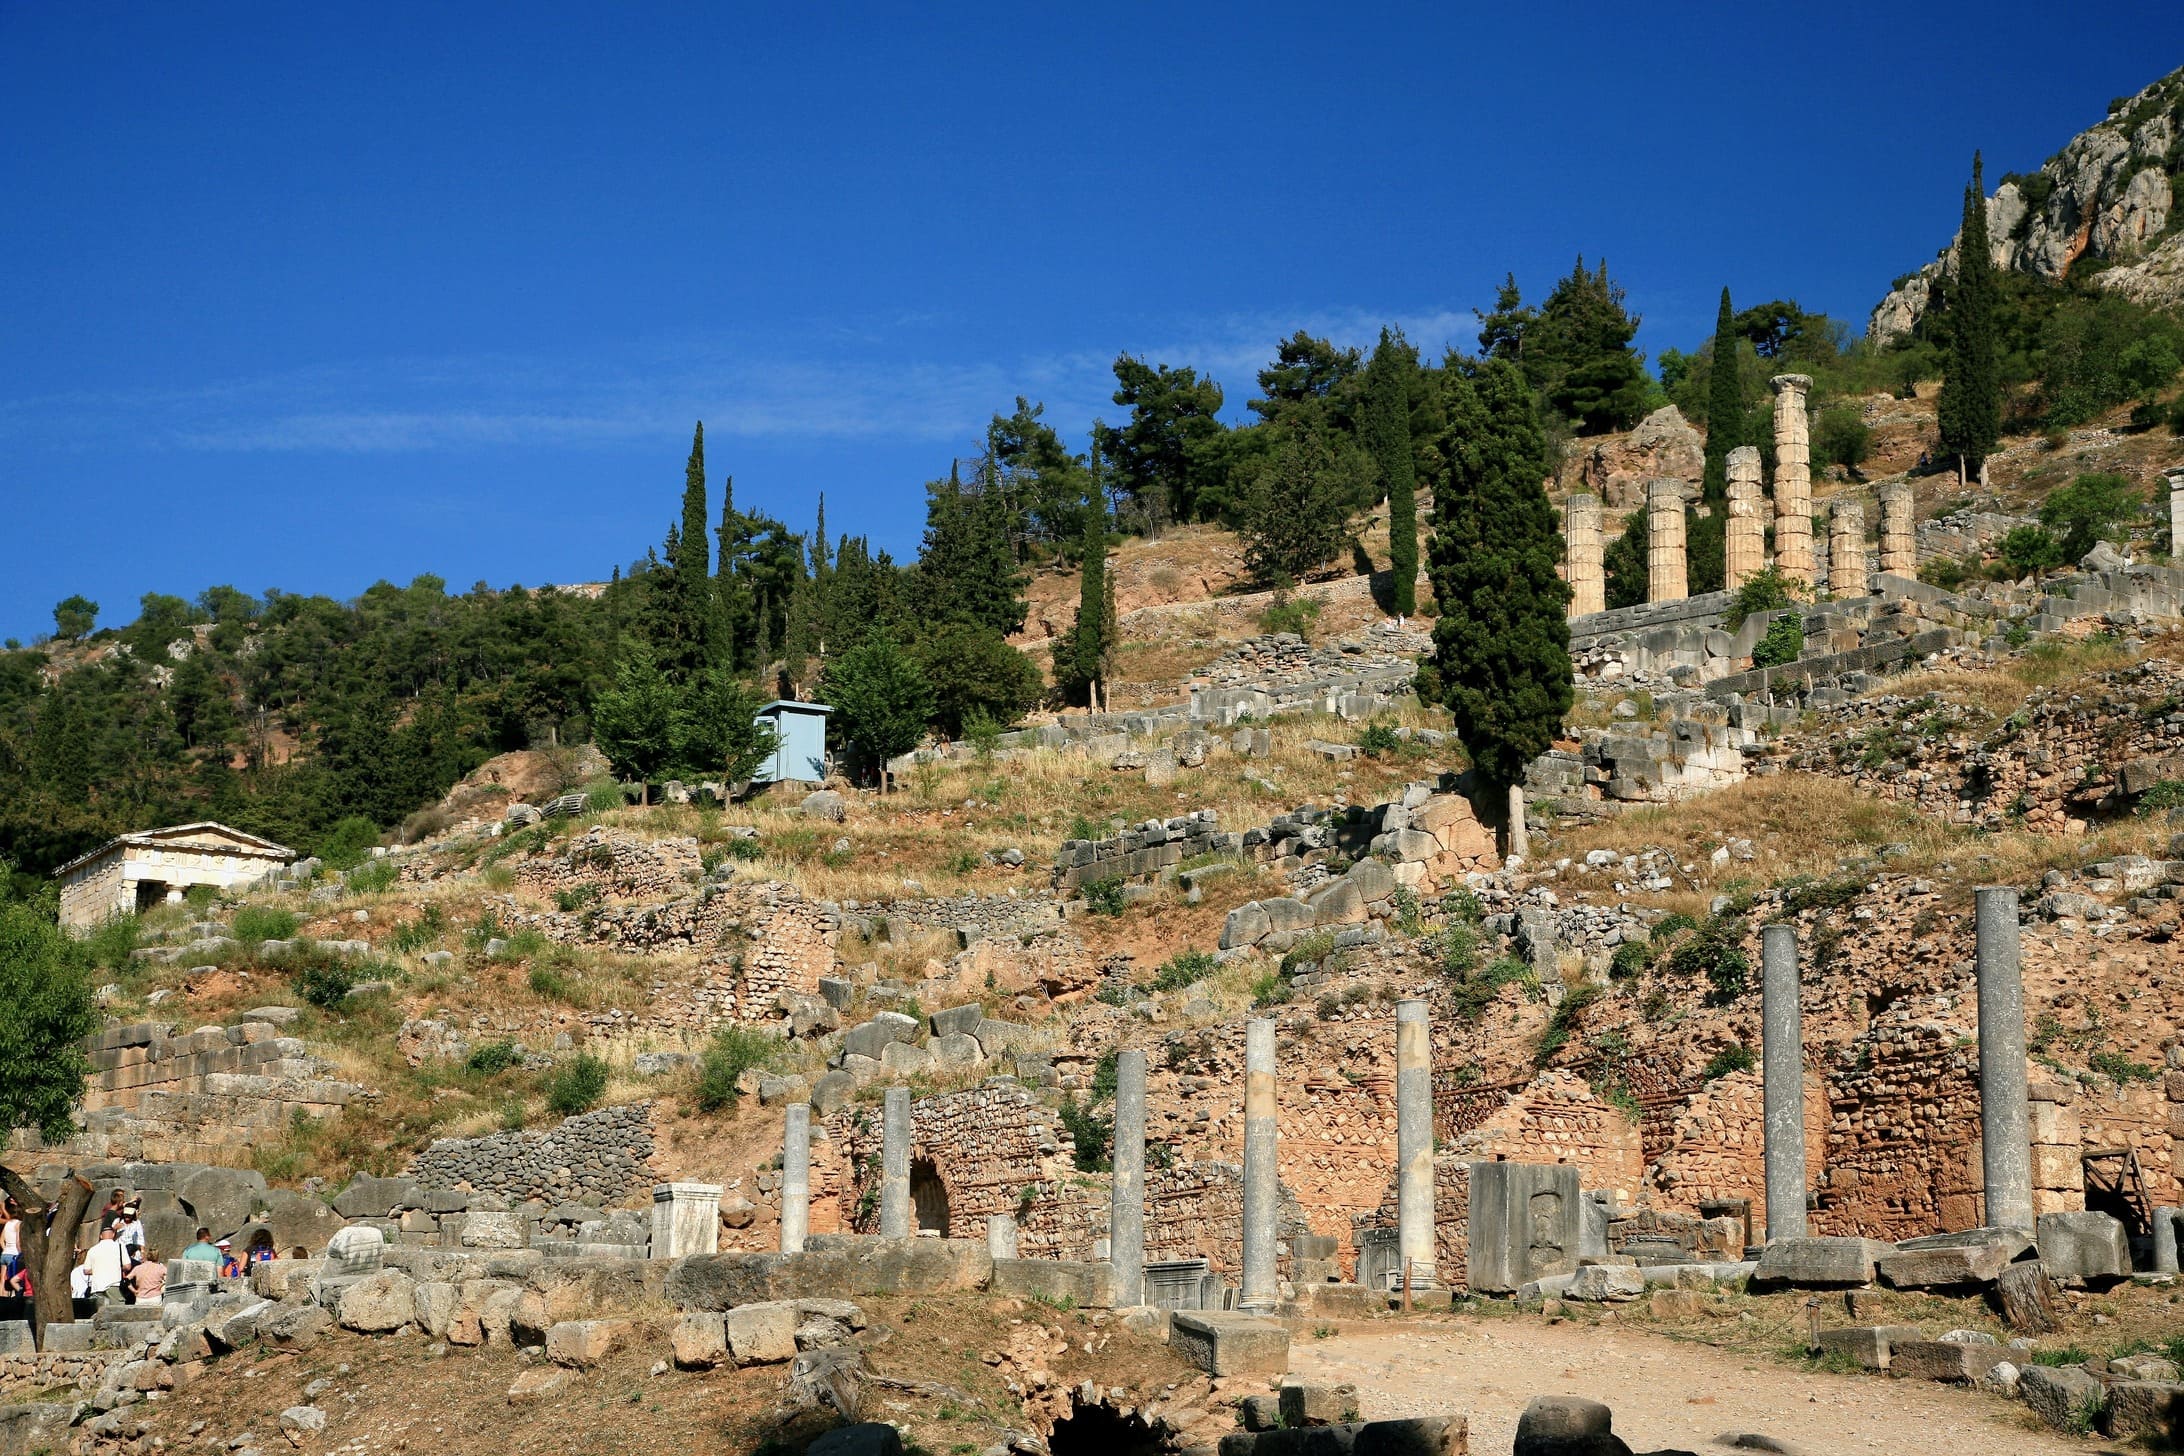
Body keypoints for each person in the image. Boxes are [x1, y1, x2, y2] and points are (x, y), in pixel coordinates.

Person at [81, 1228, 124, 1302]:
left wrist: (99, 1270)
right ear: (113, 1235)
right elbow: (127, 1266)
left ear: (101, 1236)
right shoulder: (119, 1247)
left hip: (97, 1287)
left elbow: (86, 1271)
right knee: (117, 1311)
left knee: (99, 1310)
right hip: (113, 1284)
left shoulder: (92, 1249)